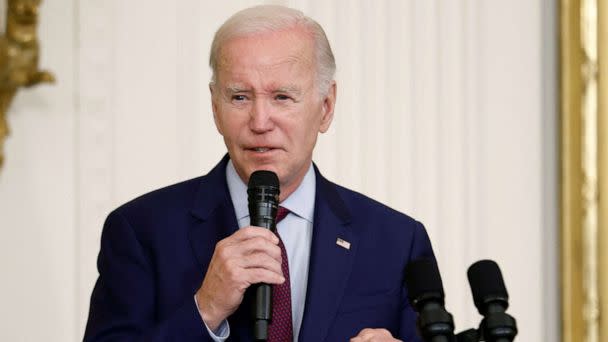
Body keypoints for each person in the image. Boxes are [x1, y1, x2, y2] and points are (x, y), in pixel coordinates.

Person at [84, 5, 434, 342]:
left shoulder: (397, 241)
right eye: (239, 97)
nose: (260, 122)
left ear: (325, 108)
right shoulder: (140, 231)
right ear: (215, 108)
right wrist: (204, 310)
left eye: (282, 97)